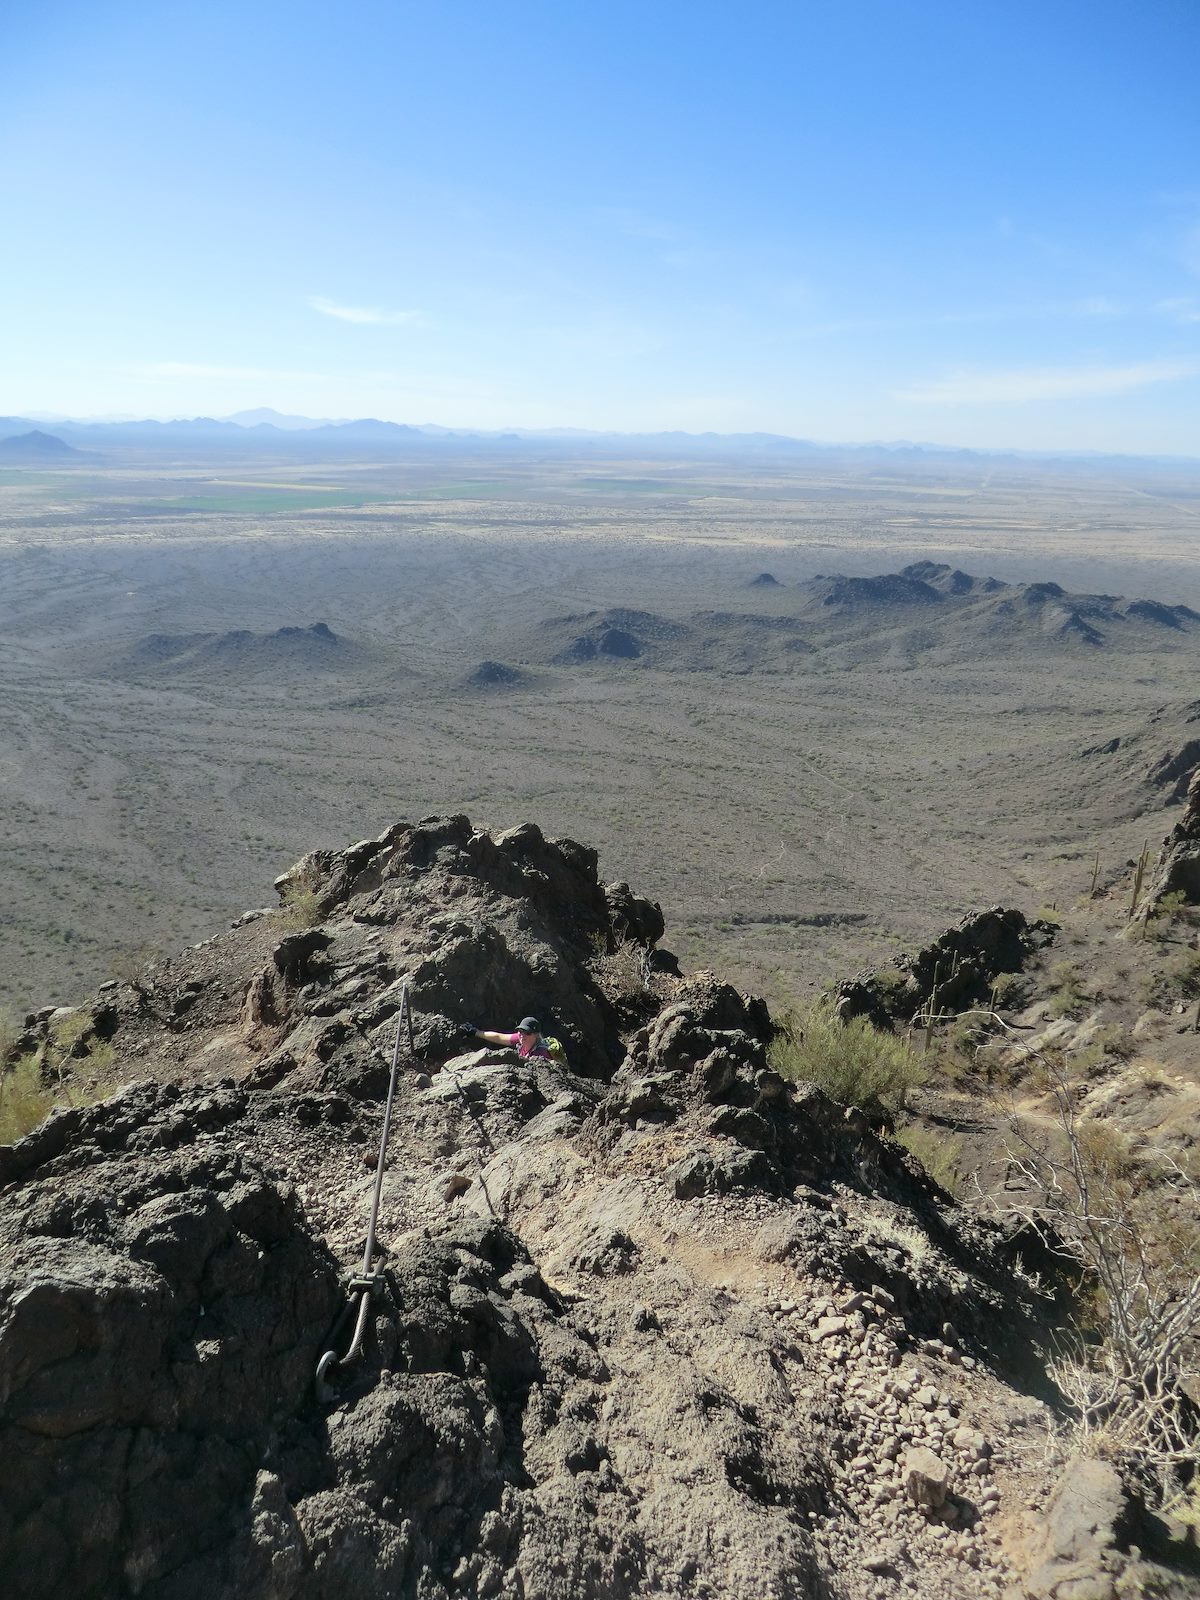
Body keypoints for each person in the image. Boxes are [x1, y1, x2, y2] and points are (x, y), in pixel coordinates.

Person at [461, 1015, 553, 1060]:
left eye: (527, 1033)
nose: (522, 1035)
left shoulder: (541, 1054)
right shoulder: (522, 1038)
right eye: (520, 1031)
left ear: (536, 1035)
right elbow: (499, 1037)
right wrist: (475, 1032)